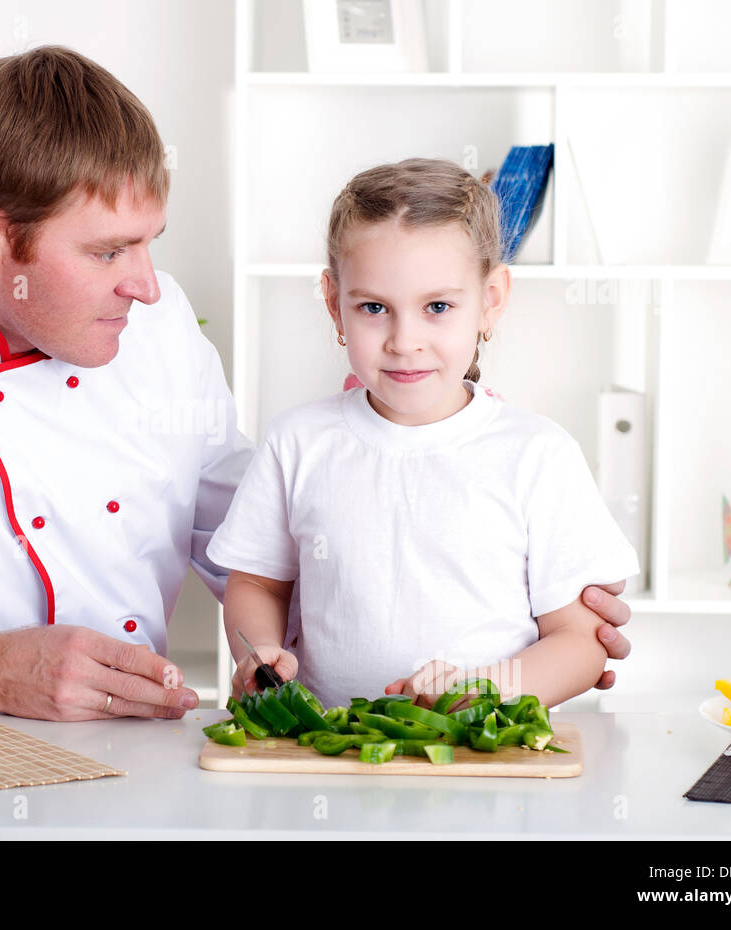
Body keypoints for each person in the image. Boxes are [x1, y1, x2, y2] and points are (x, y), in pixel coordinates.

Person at [0, 49, 634, 722]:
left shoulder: (154, 319)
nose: (146, 281)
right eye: (108, 250)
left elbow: (252, 536)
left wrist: (513, 625)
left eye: (149, 243)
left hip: (148, 767)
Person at [206, 158, 640, 710]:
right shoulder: (297, 442)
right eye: (373, 308)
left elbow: (581, 643)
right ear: (334, 304)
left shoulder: (538, 454)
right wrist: (259, 650)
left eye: (437, 306)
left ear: (491, 300)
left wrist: (483, 692)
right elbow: (258, 584)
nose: (404, 340)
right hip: (324, 753)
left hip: (483, 758)